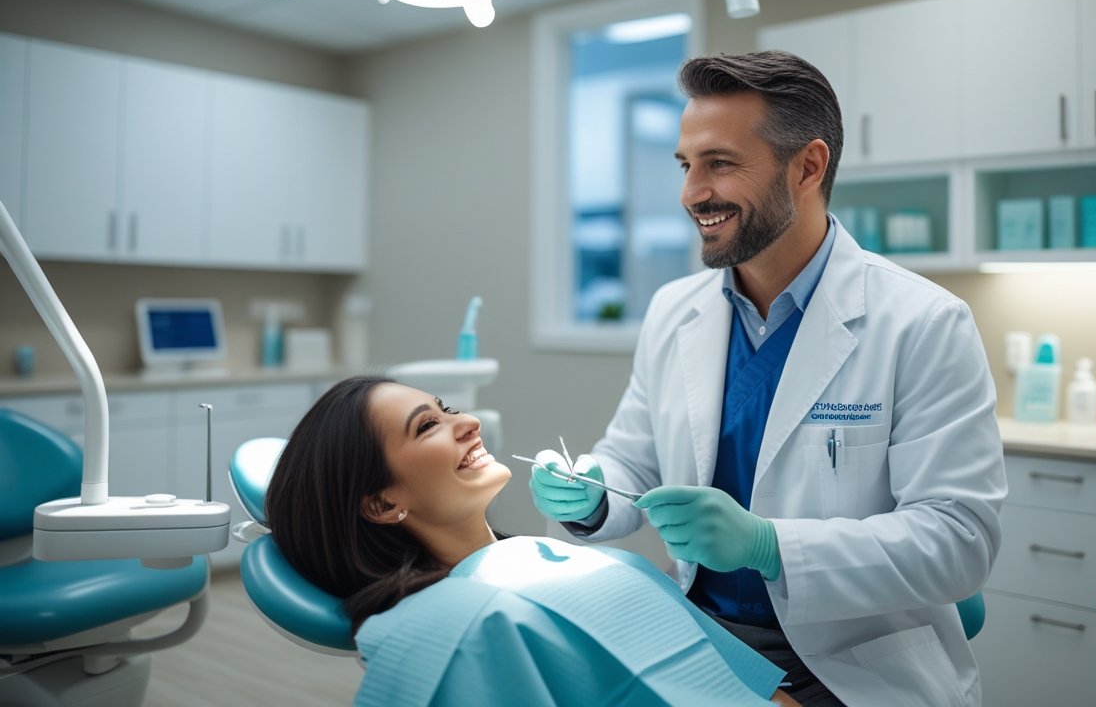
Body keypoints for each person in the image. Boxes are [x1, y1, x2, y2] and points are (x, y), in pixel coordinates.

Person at [529, 50, 1008, 706]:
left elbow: (960, 541)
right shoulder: (676, 310)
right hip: (700, 639)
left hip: (856, 660)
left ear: (807, 166)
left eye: (719, 163)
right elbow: (630, 461)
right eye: (686, 165)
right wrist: (591, 495)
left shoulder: (923, 322)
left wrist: (769, 546)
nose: (691, 192)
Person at [264, 375, 799, 706]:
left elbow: (751, 687)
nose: (469, 422)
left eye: (448, 408)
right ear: (381, 503)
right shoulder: (446, 626)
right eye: (428, 426)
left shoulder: (550, 558)